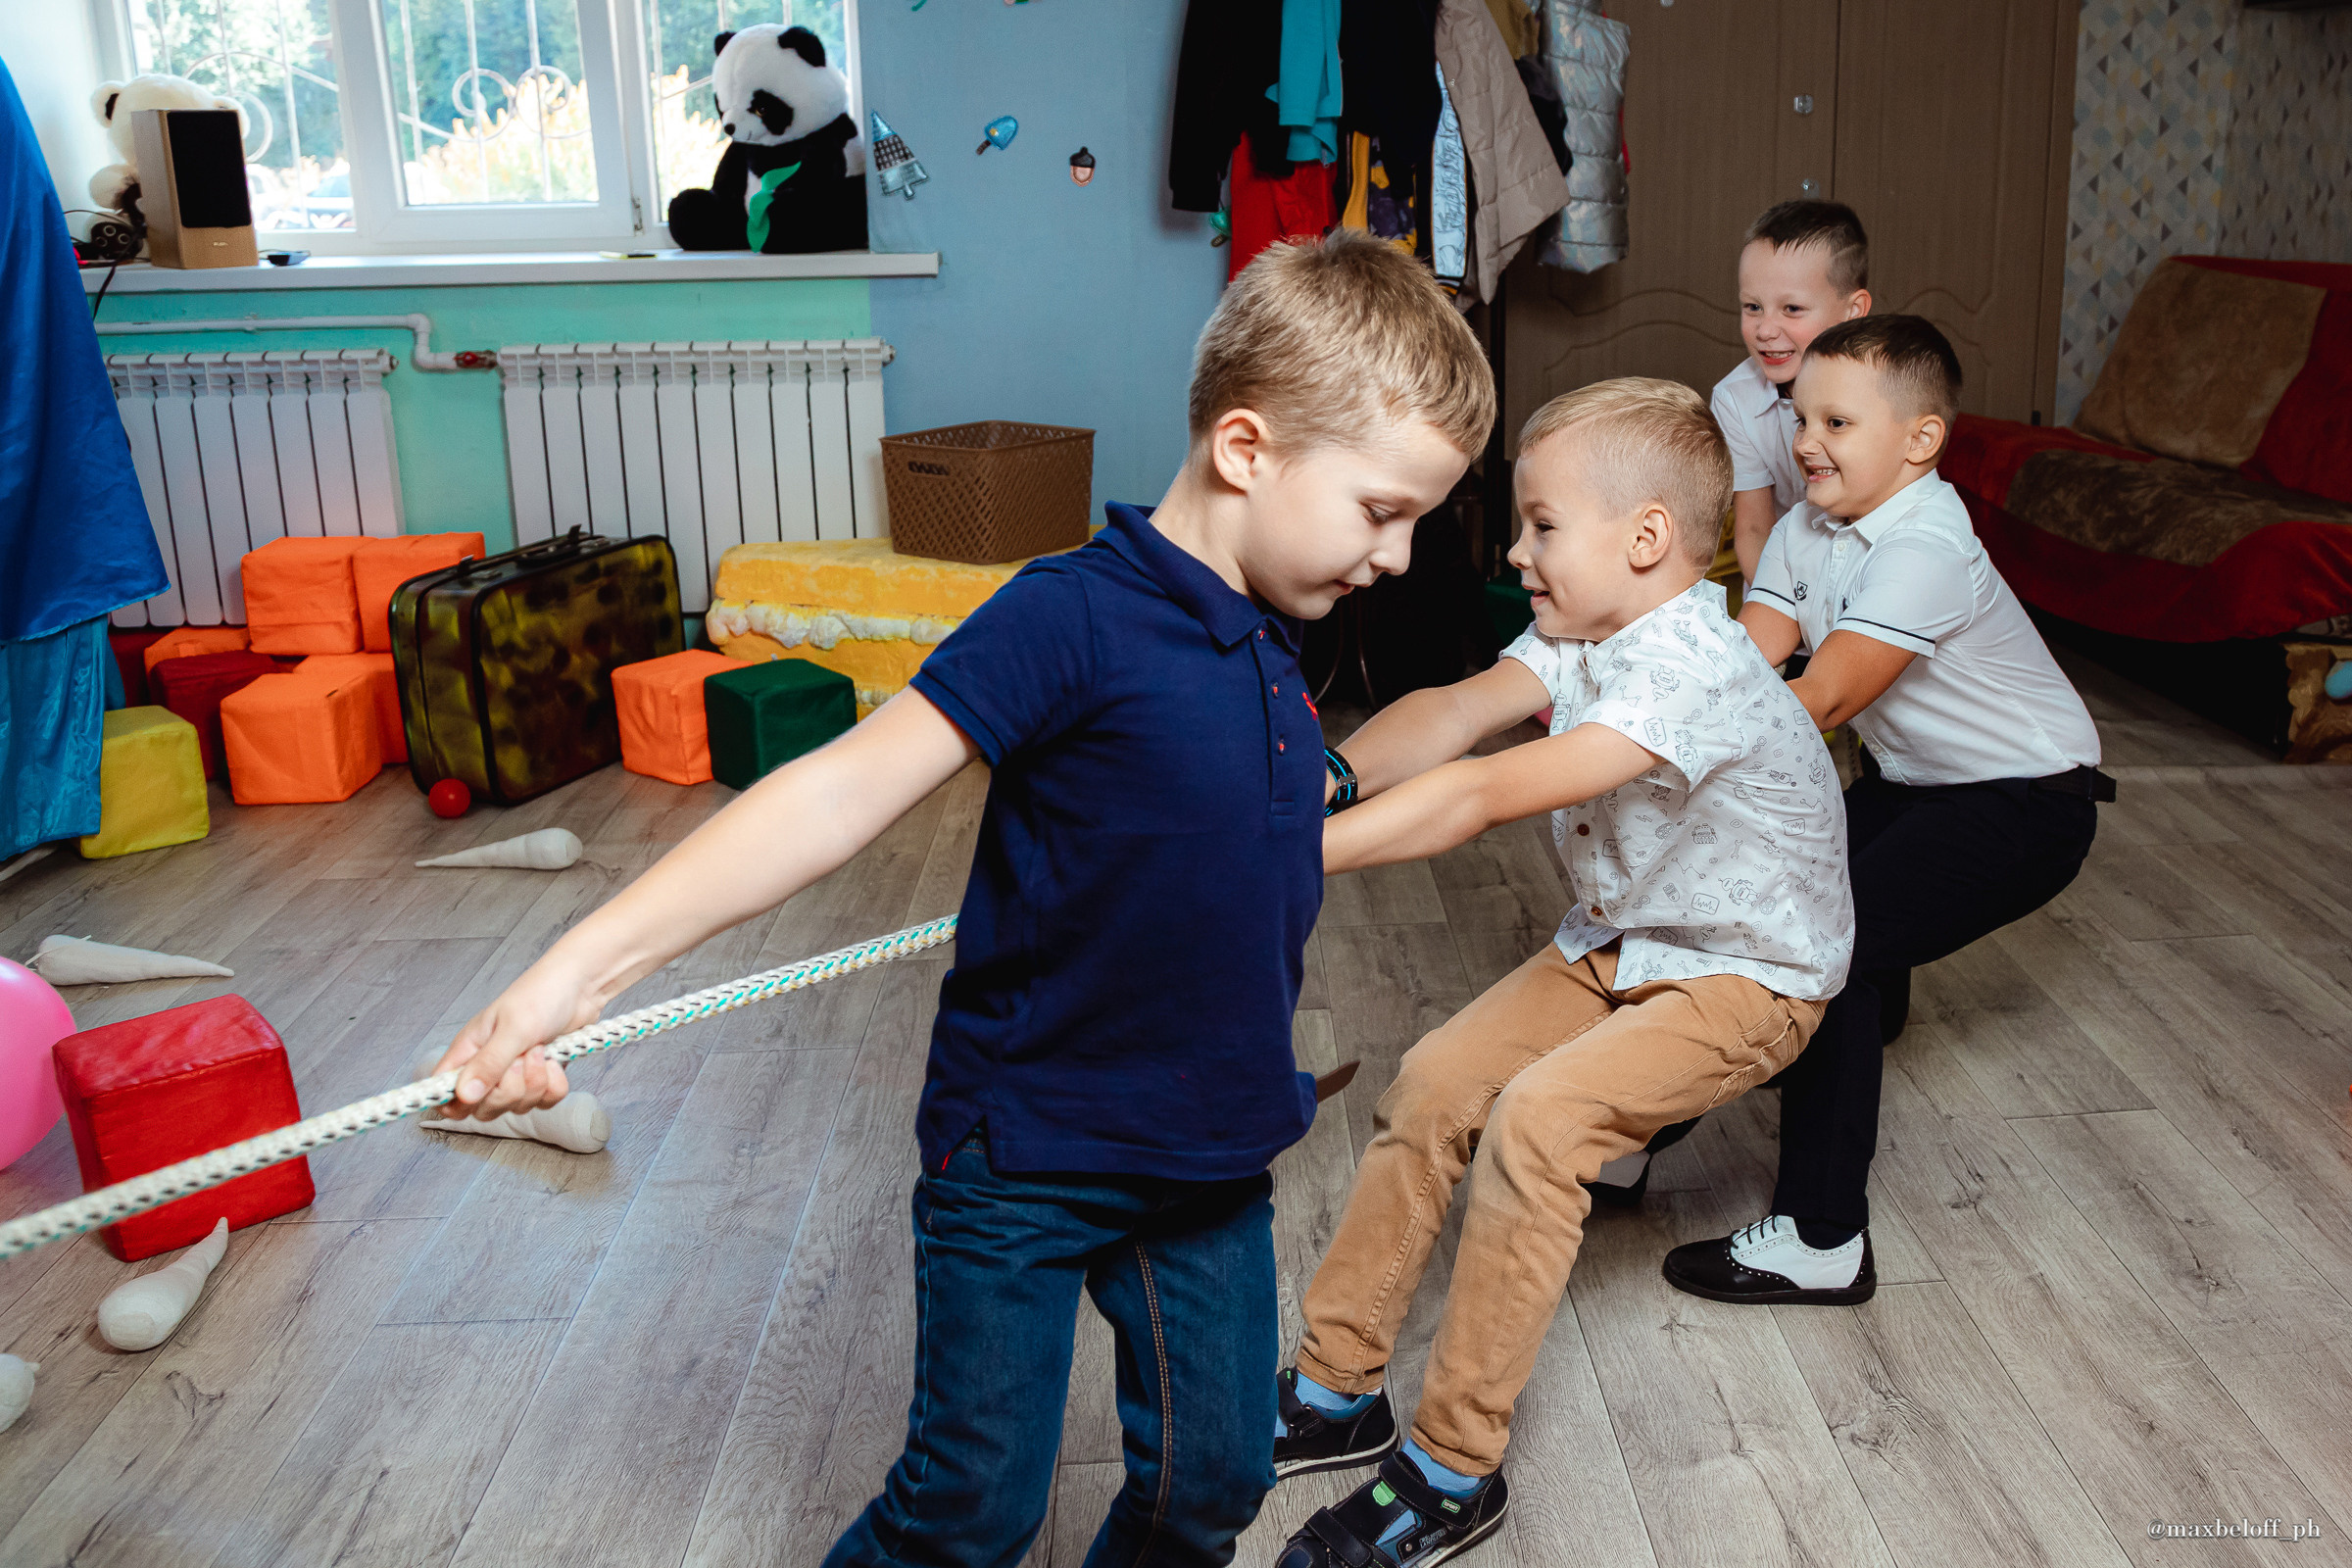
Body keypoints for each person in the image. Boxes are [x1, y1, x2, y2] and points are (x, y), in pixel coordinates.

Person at [422, 229, 1495, 1568]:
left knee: (1210, 1484)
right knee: (973, 1508)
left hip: (1207, 1154)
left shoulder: (1272, 641)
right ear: (1247, 449)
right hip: (1029, 1152)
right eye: (1383, 511)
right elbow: (835, 795)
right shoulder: (1070, 617)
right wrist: (565, 982)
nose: (1395, 558)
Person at [1269, 379, 1852, 1568]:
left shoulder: (1695, 662)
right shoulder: (1582, 633)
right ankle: (1338, 1385)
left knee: (1540, 1123)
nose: (1517, 550)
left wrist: (1276, 852)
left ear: (1645, 541)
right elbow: (1452, 716)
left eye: (1541, 525)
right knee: (1434, 1085)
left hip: (1747, 974)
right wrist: (1312, 787)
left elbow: (1485, 791)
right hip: (1626, 940)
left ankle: (1449, 1470)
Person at [1662, 315, 2111, 1307]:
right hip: (1913, 786)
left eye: (1838, 421)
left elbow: (1819, 699)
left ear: (1920, 439)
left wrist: (1664, 757)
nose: (1806, 440)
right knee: (1751, 904)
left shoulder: (1927, 546)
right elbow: (1751, 659)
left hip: (2027, 803)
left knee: (1835, 945)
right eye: (1798, 415)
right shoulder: (1801, 529)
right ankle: (1637, 1134)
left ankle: (1823, 1237)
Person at [1713, 200, 1871, 585]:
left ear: (1852, 312)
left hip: (1872, 564)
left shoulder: (1885, 391)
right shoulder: (1735, 399)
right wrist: (1777, 607)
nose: (1765, 330)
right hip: (1783, 564)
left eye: (1792, 308)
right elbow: (1753, 529)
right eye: (1753, 307)